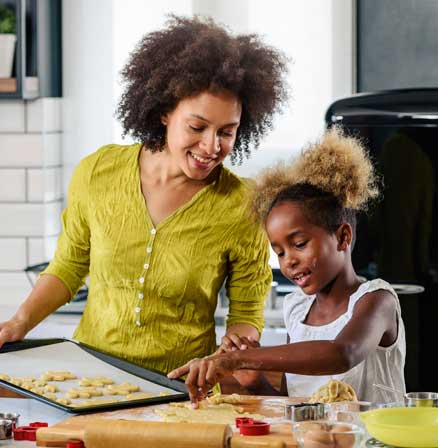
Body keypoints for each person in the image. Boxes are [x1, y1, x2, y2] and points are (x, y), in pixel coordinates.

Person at [0, 15, 288, 376]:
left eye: (227, 132)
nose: (211, 146)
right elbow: (70, 266)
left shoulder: (242, 203)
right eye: (197, 127)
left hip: (180, 393)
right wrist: (20, 323)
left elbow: (246, 314)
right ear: (165, 111)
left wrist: (235, 349)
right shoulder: (98, 171)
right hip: (92, 380)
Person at [168, 127, 406, 403]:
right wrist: (255, 382)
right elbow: (294, 403)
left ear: (343, 237)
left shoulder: (377, 300)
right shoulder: (296, 309)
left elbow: (342, 354)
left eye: (300, 244)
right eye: (279, 252)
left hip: (374, 445)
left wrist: (240, 358)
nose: (288, 261)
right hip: (314, 446)